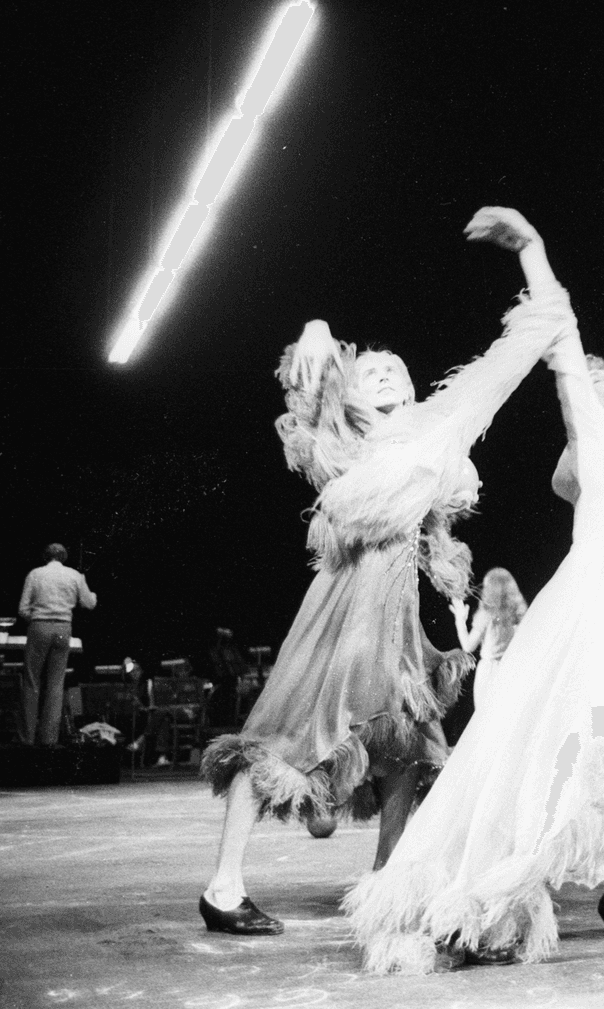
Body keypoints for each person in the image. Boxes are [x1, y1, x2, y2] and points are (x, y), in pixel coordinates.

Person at [344, 207, 604, 972]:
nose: (601, 377)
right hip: (590, 601)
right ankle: (488, 892)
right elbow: (561, 338)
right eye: (594, 376)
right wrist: (532, 247)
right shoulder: (593, 435)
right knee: (552, 747)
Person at [197, 219, 562, 937]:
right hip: (344, 605)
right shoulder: (338, 443)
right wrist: (317, 328)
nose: (387, 371)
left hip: (396, 612)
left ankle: (390, 881)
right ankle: (223, 886)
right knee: (282, 736)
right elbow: (308, 385)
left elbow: (503, 364)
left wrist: (532, 259)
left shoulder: (438, 428)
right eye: (370, 371)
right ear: (349, 393)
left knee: (411, 749)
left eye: (395, 366)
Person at [16, 544, 97, 746]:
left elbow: (23, 609)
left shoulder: (35, 574)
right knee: (56, 684)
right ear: (64, 557)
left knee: (32, 682)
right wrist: (92, 593)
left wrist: (36, 619)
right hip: (63, 628)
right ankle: (49, 740)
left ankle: (27, 738)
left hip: (39, 626)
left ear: (45, 556)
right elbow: (89, 603)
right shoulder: (74, 575)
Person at [449, 568, 528, 712]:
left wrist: (460, 620)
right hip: (511, 669)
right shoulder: (517, 614)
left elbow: (468, 646)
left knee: (486, 715)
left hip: (489, 672)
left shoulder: (486, 614)